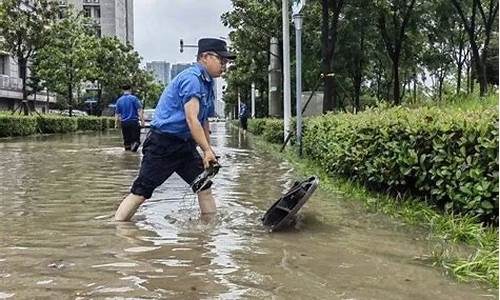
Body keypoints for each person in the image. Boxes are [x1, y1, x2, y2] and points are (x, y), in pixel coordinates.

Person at [115, 38, 236, 221]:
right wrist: (205, 150)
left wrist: (208, 151)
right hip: (163, 144)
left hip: (185, 145)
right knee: (141, 192)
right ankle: (117, 230)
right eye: (221, 60)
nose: (224, 66)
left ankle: (210, 234)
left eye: (226, 62)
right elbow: (191, 118)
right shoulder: (192, 80)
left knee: (204, 187)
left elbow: (203, 121)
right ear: (205, 57)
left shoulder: (208, 83)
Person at [115, 85, 145, 152]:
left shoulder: (119, 100)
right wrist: (142, 121)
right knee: (136, 141)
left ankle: (127, 155)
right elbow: (139, 110)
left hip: (124, 123)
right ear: (130, 90)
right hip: (133, 122)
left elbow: (117, 113)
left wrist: (116, 124)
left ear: (122, 91)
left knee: (127, 142)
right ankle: (134, 153)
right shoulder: (134, 98)